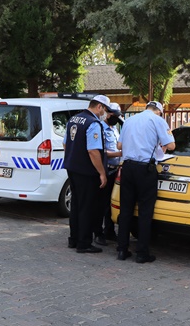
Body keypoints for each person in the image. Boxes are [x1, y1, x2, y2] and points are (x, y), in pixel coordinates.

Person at [117, 100, 175, 263]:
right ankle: (142, 253)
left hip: (127, 168)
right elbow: (171, 145)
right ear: (159, 111)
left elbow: (119, 144)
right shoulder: (158, 120)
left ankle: (122, 249)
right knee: (144, 211)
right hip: (145, 170)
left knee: (126, 210)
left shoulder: (129, 120)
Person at [63, 94, 119, 253]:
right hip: (87, 172)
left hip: (72, 168)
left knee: (76, 205)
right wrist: (102, 173)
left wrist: (74, 158)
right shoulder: (93, 123)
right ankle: (84, 243)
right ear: (99, 106)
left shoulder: (74, 119)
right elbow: (93, 151)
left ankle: (73, 239)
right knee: (87, 207)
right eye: (105, 110)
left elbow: (66, 145)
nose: (105, 114)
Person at [93, 102, 123, 246]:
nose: (113, 117)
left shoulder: (115, 129)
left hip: (116, 170)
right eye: (111, 114)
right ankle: (98, 232)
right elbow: (101, 152)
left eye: (115, 115)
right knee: (101, 204)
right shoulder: (100, 128)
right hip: (107, 169)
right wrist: (119, 153)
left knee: (112, 204)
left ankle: (109, 231)